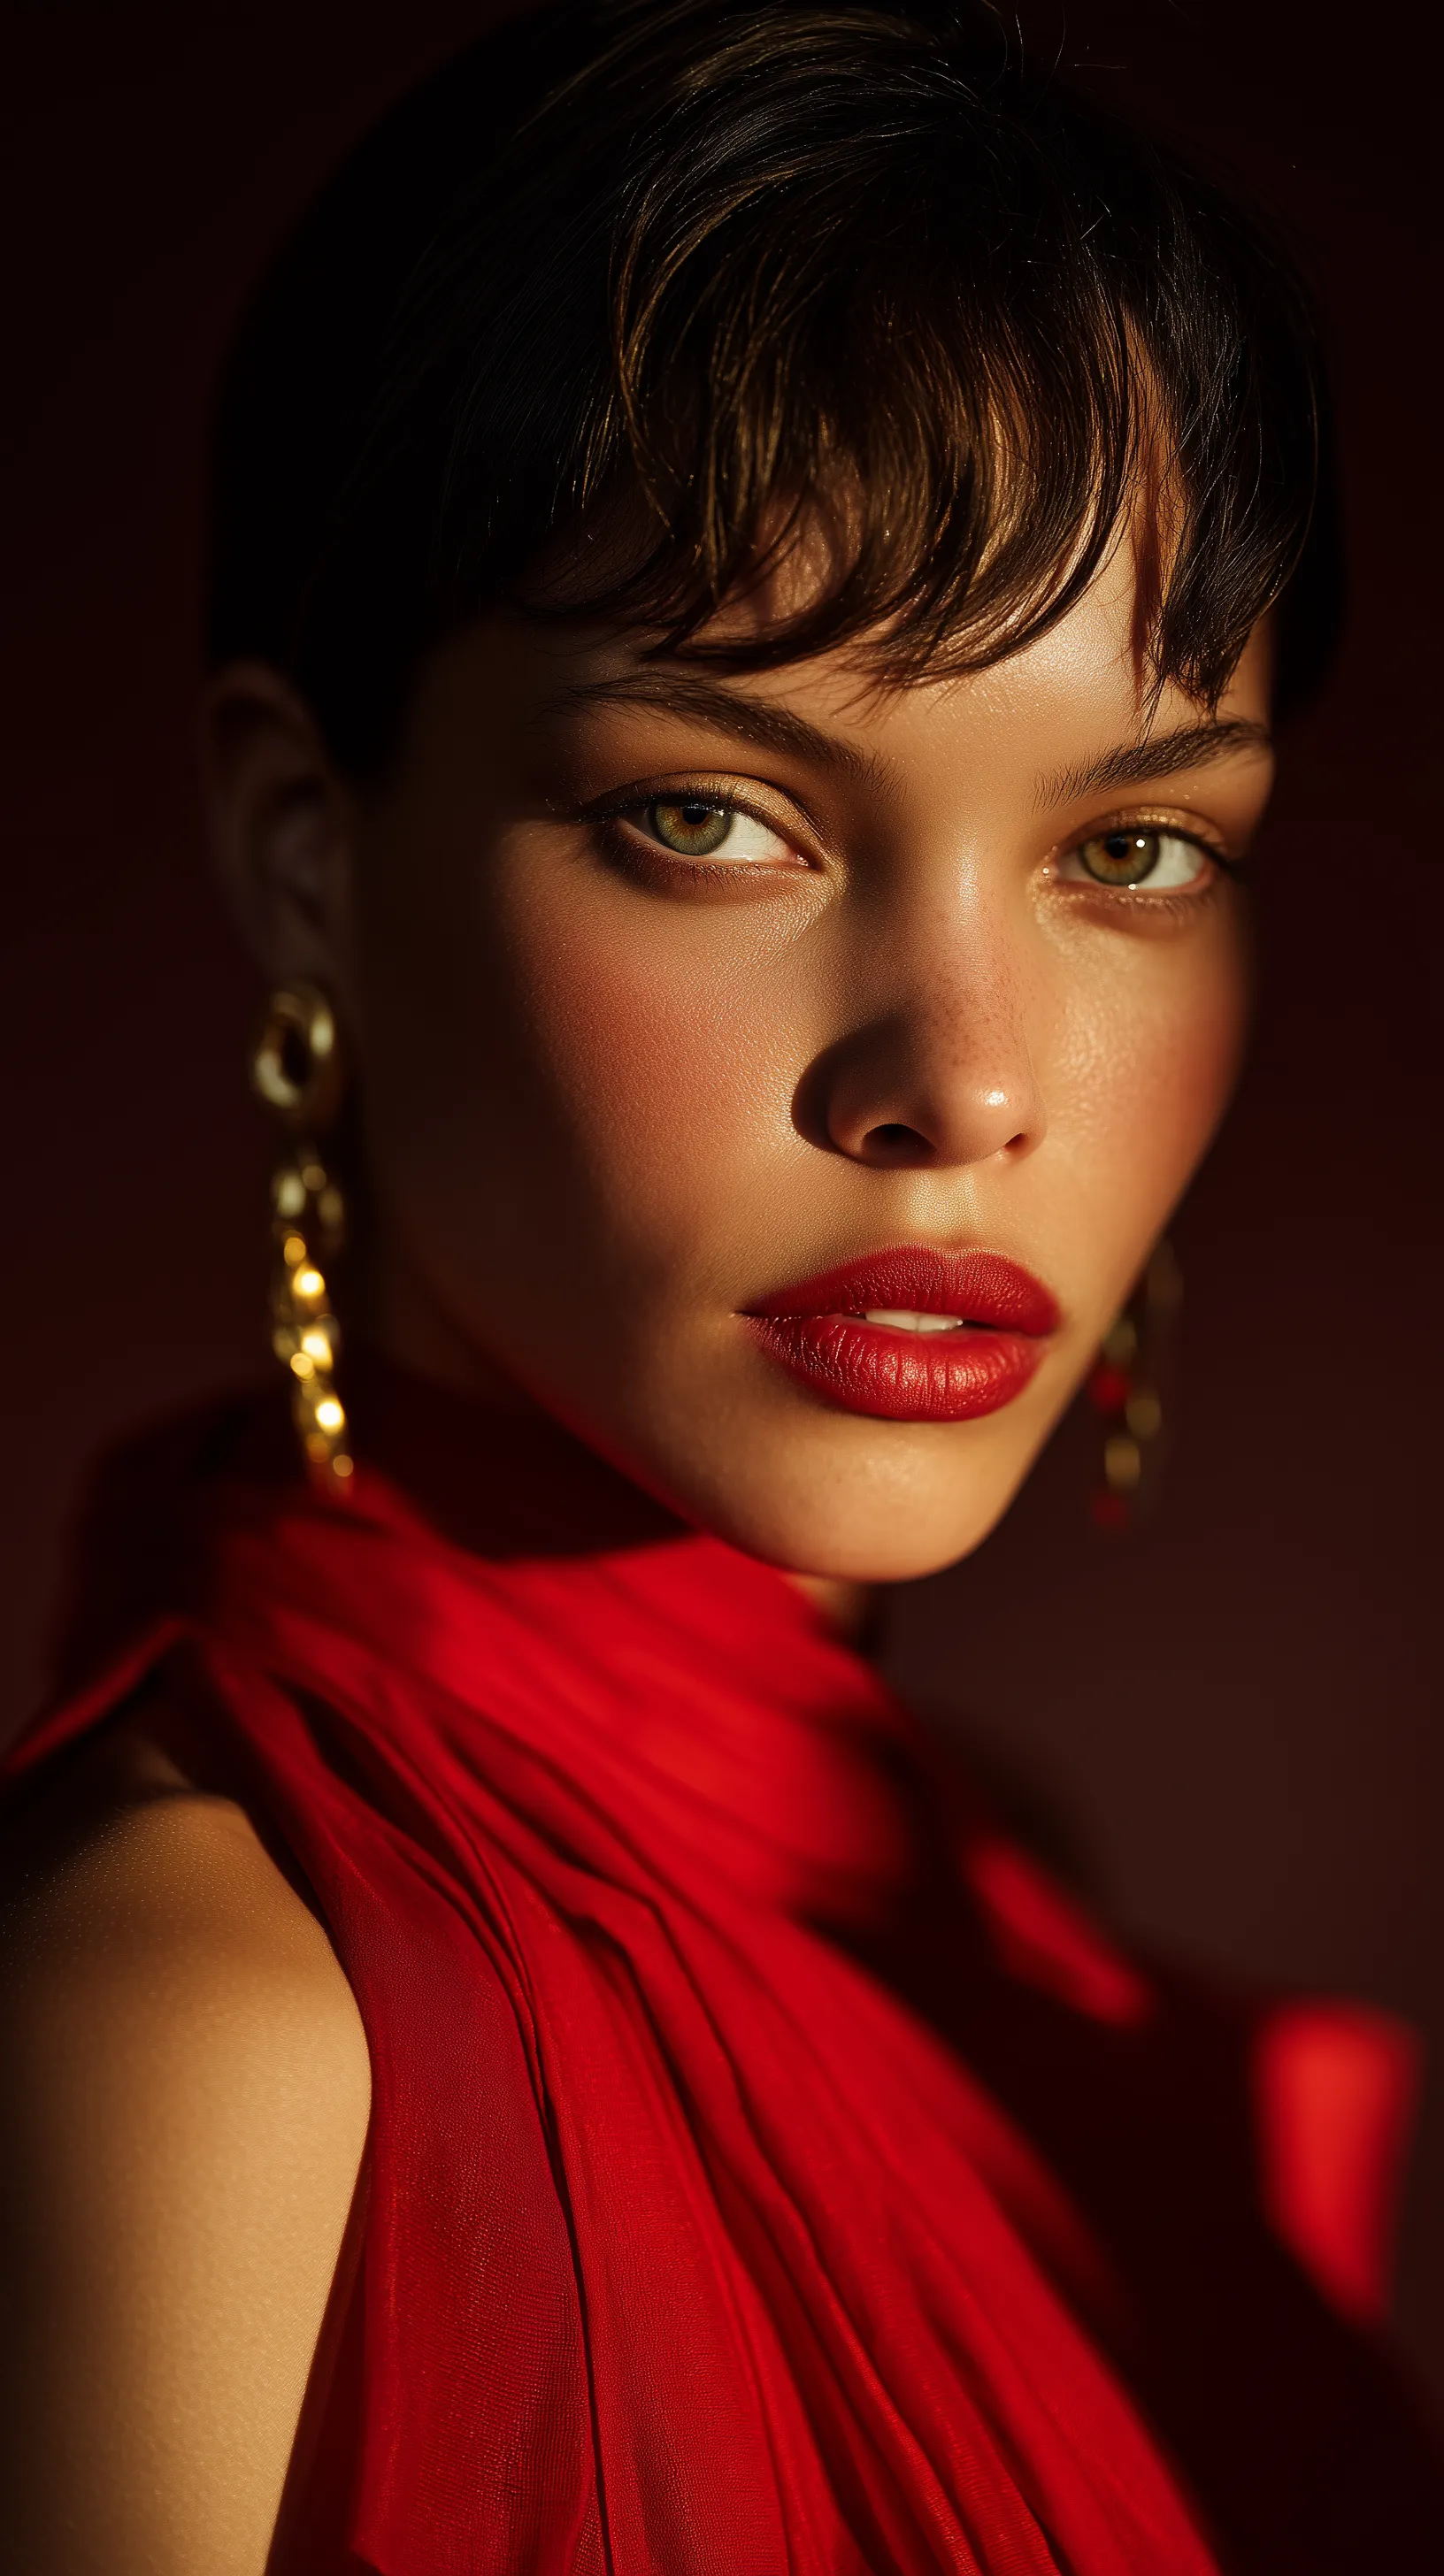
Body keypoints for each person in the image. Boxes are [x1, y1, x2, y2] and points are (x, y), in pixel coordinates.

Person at [1, 2, 1438, 2568]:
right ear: (308, 855)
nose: (966, 1085)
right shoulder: (185, 2044)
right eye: (718, 814)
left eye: (1133, 852)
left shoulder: (988, 1887)